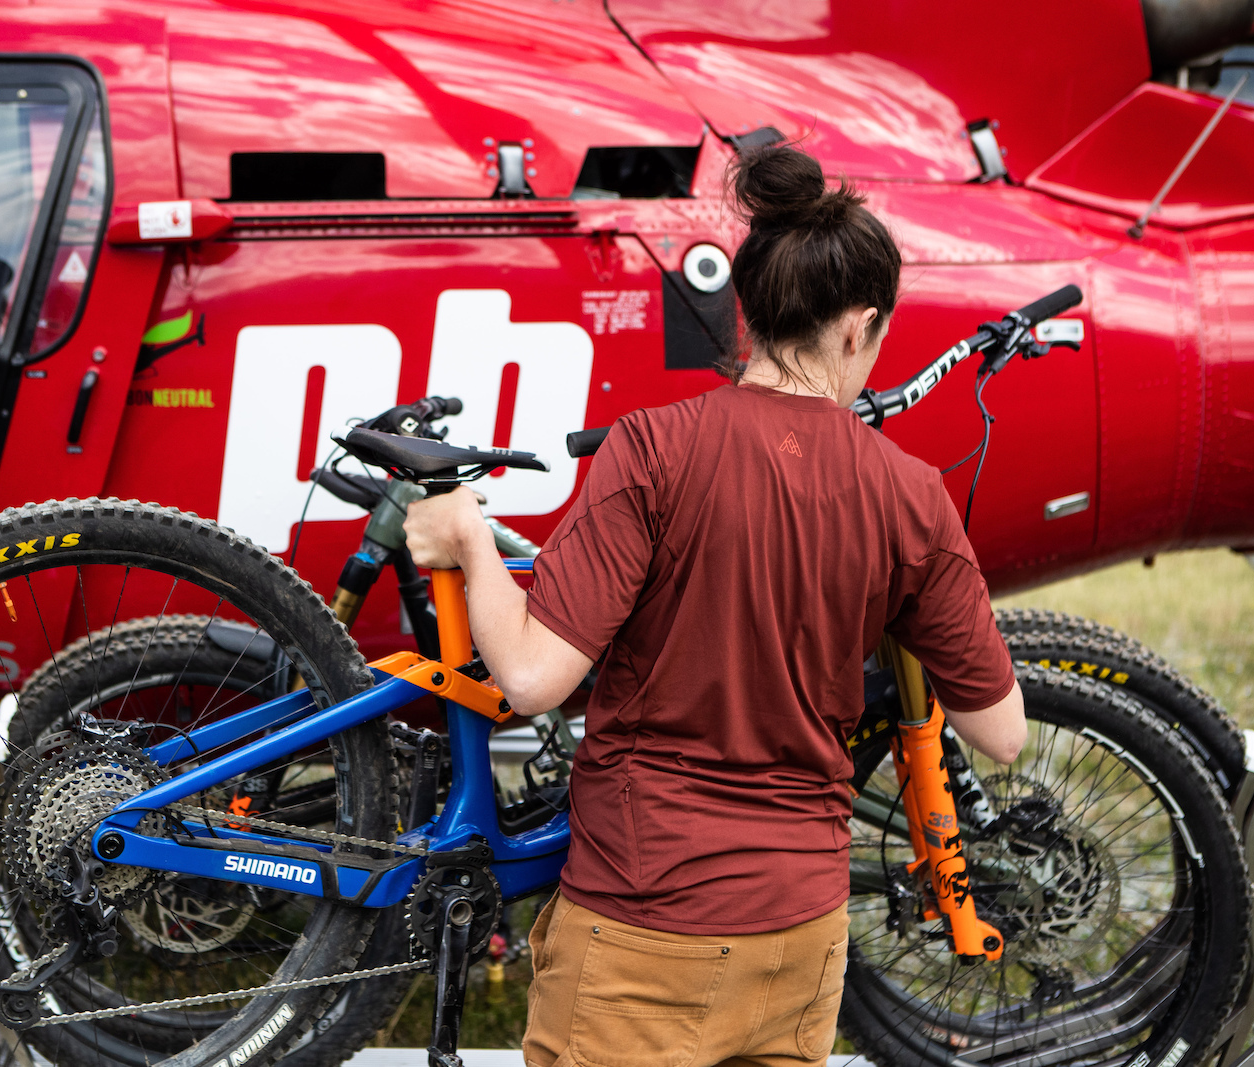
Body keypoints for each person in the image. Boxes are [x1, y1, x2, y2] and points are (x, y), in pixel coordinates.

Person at [403, 144, 1026, 1067]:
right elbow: (1003, 733)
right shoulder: (913, 496)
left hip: (643, 934)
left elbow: (532, 675)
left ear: (750, 310)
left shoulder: (655, 451)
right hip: (801, 941)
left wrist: (468, 540)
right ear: (858, 329)